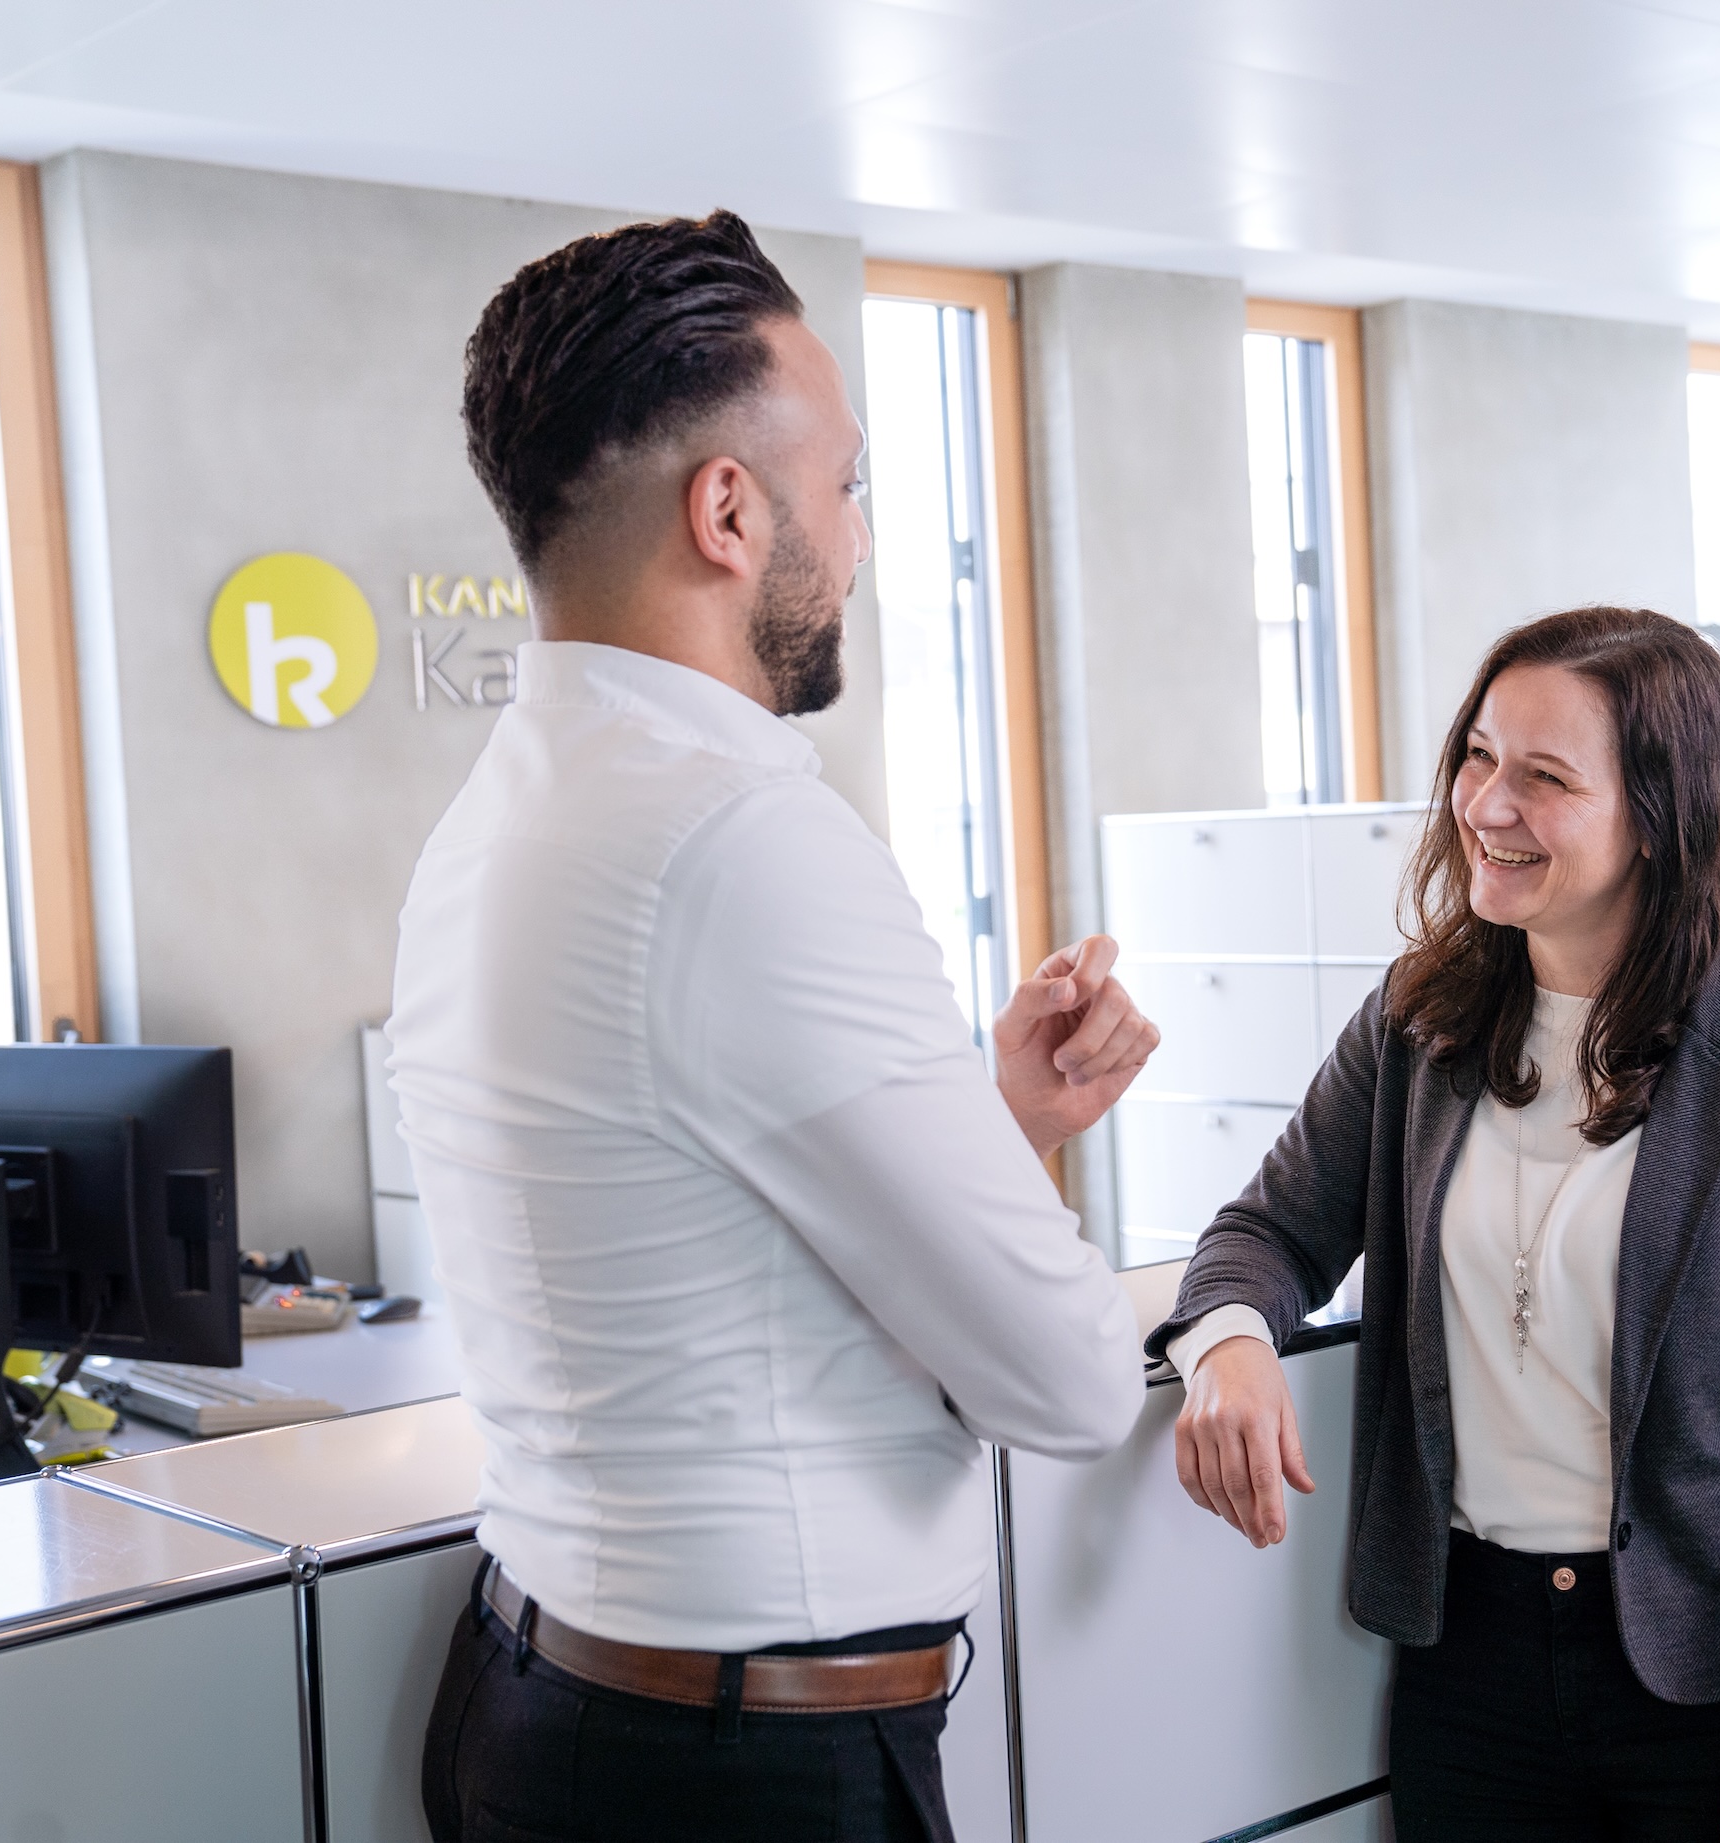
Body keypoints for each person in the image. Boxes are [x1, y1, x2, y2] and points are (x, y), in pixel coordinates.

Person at [390, 212, 1154, 1843]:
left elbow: (708, 1250)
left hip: (541, 1706)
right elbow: (1075, 1377)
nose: (861, 539)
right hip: (739, 1772)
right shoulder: (744, 839)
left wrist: (990, 1112)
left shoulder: (502, 814)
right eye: (848, 484)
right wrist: (1011, 1170)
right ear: (730, 510)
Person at [1154, 607, 1720, 1843]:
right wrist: (1227, 1341)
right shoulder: (1420, 1020)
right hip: (1475, 1679)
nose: (1486, 804)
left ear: (1660, 818)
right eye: (1478, 755)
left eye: (1546, 778)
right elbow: (1268, 1231)